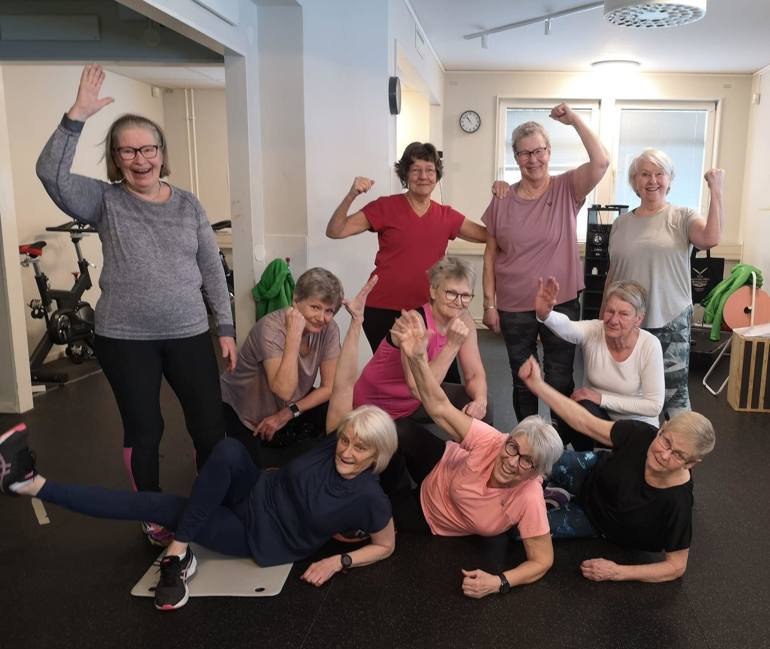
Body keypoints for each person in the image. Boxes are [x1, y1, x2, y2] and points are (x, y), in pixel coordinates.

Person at [0, 277, 398, 611]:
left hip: (259, 536)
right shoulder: (335, 443)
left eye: (360, 449)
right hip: (256, 489)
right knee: (228, 450)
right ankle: (179, 551)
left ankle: (33, 485)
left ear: (377, 457)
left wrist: (339, 561)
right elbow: (343, 384)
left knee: (157, 507)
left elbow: (386, 545)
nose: (347, 451)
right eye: (347, 440)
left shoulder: (369, 496)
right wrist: (357, 321)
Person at [35, 64, 236, 546]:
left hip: (189, 332)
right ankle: (151, 513)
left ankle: (210, 501)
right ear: (116, 158)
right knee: (145, 430)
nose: (140, 159)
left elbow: (211, 267)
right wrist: (76, 117)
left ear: (162, 154)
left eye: (148, 149)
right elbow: (50, 174)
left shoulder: (188, 204)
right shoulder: (104, 201)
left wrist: (226, 327)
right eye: (128, 150)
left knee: (209, 427)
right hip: (126, 339)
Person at [386, 309, 563, 598]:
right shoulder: (493, 440)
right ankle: (394, 487)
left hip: (434, 513)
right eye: (513, 447)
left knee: (381, 516)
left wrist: (499, 582)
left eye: (526, 461)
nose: (511, 461)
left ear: (536, 472)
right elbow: (439, 408)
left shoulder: (528, 496)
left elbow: (542, 561)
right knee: (398, 430)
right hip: (442, 464)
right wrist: (417, 358)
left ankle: (392, 502)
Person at [518, 355, 715, 582]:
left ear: (691, 463)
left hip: (597, 521)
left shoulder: (678, 501)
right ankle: (553, 491)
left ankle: (552, 495)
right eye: (666, 441)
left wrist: (617, 572)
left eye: (678, 455)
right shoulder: (642, 434)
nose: (664, 455)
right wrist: (537, 385)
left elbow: (676, 566)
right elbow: (584, 421)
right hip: (593, 472)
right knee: (533, 455)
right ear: (663, 427)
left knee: (518, 530)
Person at [482, 103, 609, 434]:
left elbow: (601, 162)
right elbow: (490, 255)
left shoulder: (567, 187)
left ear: (549, 152)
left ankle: (559, 443)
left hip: (560, 302)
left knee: (559, 377)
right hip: (513, 305)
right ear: (515, 157)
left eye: (538, 151)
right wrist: (488, 304)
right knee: (522, 378)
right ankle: (528, 442)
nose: (533, 159)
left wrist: (575, 120)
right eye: (524, 153)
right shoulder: (502, 198)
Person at [326, 141, 487, 354]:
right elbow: (336, 231)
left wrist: (503, 200)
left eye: (430, 170)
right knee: (391, 372)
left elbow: (487, 235)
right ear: (405, 175)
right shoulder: (385, 207)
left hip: (428, 310)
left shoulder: (447, 216)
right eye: (416, 170)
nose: (423, 176)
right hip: (383, 308)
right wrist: (351, 195)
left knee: (438, 372)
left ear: (437, 175)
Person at [353, 257, 489, 493]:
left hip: (414, 403)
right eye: (451, 293)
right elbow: (418, 388)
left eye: (465, 296)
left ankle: (479, 467)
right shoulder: (412, 323)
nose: (458, 302)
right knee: (399, 467)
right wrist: (452, 345)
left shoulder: (464, 320)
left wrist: (480, 401)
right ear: (433, 291)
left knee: (477, 403)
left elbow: (475, 373)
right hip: (378, 406)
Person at [606, 150, 724, 415]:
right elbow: (613, 273)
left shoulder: (683, 216)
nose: (652, 180)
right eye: (645, 174)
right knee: (629, 392)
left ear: (669, 180)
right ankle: (639, 440)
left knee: (674, 395)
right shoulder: (620, 224)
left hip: (670, 320)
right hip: (626, 323)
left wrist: (716, 191)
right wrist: (605, 316)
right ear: (634, 180)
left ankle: (680, 442)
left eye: (660, 174)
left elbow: (710, 238)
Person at [221, 268, 342, 466]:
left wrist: (288, 413)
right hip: (243, 410)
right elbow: (284, 390)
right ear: (296, 300)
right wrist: (294, 335)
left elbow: (329, 387)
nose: (322, 318)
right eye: (315, 307)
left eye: (329, 311)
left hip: (285, 404)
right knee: (249, 473)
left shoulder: (329, 330)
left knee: (335, 412)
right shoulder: (270, 328)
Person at [534, 276, 664, 450]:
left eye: (623, 314)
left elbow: (654, 406)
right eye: (610, 311)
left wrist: (602, 399)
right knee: (578, 407)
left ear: (638, 319)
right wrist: (546, 315)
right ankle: (581, 458)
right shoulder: (595, 330)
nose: (613, 320)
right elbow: (568, 327)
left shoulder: (650, 345)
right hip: (598, 421)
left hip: (636, 426)